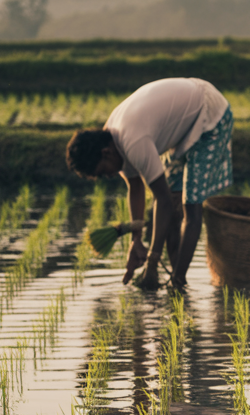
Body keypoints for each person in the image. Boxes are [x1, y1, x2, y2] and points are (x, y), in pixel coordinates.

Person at [65, 77, 233, 289]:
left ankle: (178, 282)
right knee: (172, 207)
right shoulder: (112, 137)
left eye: (103, 172)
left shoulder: (133, 141)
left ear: (105, 153)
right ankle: (177, 279)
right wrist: (136, 241)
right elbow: (135, 188)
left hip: (209, 113)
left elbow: (160, 199)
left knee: (190, 206)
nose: (107, 177)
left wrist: (152, 260)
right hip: (184, 126)